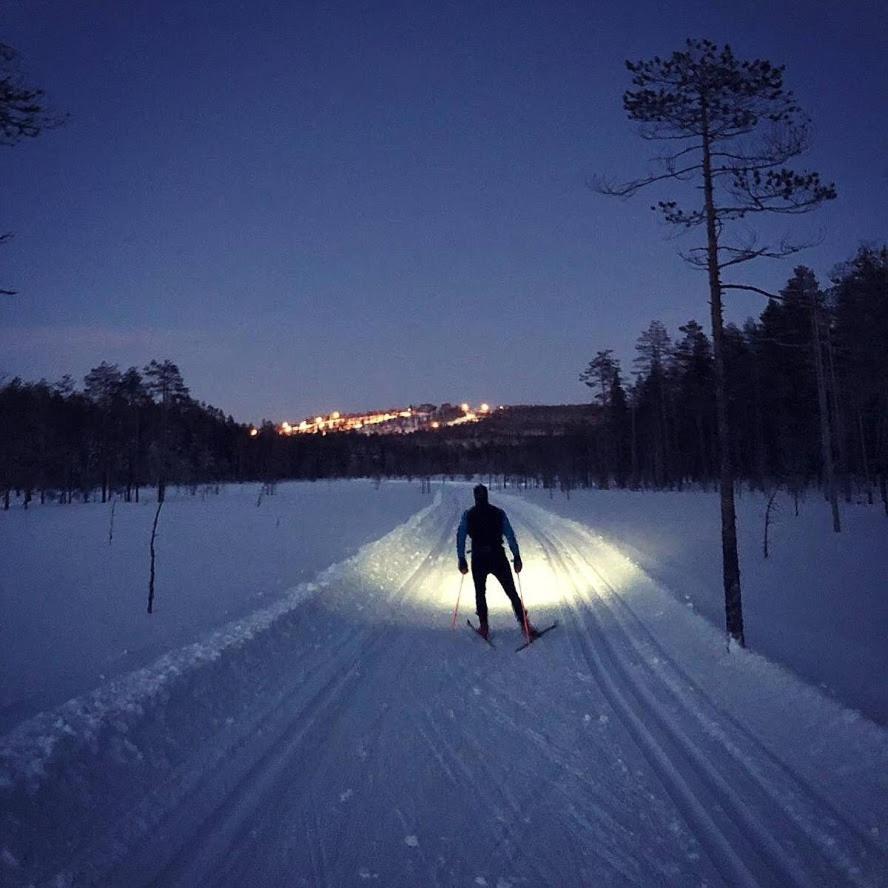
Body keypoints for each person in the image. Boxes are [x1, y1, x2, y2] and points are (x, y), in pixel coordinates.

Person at [456, 484, 539, 641]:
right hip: (497, 557)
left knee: (480, 593)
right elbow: (510, 535)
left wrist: (461, 559)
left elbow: (460, 535)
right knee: (511, 592)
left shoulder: (469, 515)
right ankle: (525, 624)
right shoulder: (498, 513)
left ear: (475, 497)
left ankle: (484, 627)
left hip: (479, 558)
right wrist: (517, 556)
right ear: (487, 495)